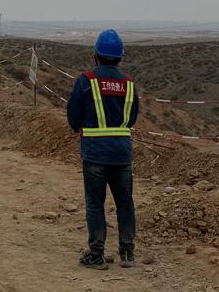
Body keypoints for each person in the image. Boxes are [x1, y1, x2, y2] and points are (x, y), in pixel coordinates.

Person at [65, 29, 139, 270]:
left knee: (96, 204)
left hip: (95, 152)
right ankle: (127, 253)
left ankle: (96, 254)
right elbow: (132, 118)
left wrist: (82, 127)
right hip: (122, 152)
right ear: (119, 57)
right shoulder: (129, 84)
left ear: (96, 55)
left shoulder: (86, 80)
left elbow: (74, 116)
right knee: (125, 202)